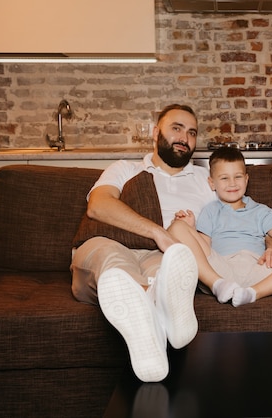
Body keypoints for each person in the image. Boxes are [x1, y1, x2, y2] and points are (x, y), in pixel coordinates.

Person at [70, 104, 216, 382]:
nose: (185, 137)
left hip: (161, 255)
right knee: (114, 265)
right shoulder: (125, 169)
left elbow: (240, 215)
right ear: (155, 132)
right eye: (176, 128)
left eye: (192, 132)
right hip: (108, 243)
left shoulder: (205, 180)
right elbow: (98, 206)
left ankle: (147, 323)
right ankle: (152, 306)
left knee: (170, 270)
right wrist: (159, 233)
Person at [168, 147, 272, 307]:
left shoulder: (262, 211)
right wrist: (191, 229)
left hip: (258, 269)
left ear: (246, 179)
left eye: (238, 177)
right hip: (220, 268)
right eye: (224, 178)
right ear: (212, 183)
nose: (232, 183)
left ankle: (253, 293)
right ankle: (217, 285)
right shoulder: (210, 211)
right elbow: (204, 248)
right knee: (177, 227)